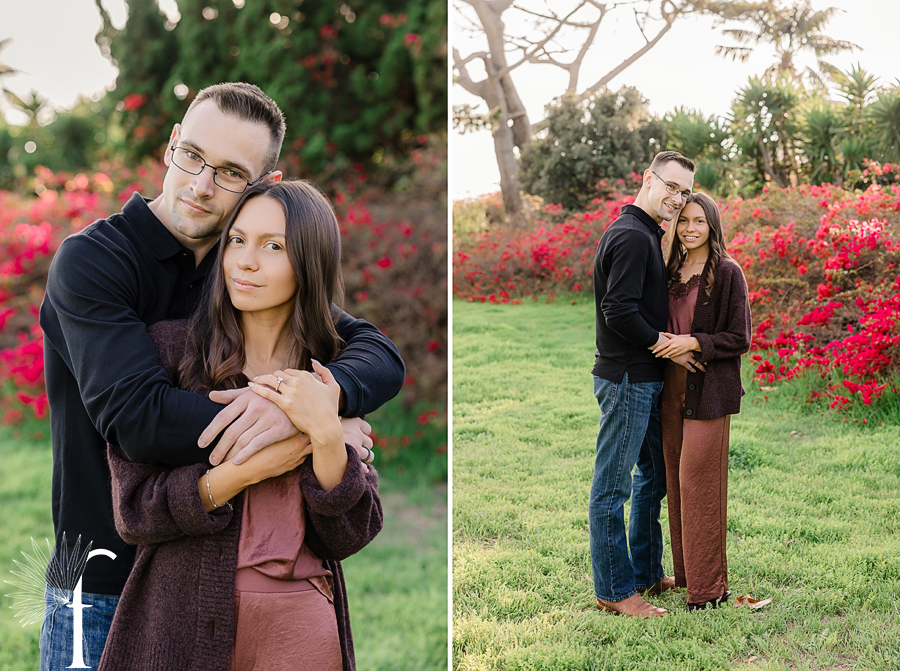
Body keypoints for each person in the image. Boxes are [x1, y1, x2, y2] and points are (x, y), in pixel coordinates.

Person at [38, 83, 404, 668]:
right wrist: (300, 420)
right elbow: (140, 419)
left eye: (232, 172)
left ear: (266, 185)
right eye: (194, 157)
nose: (202, 184)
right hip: (101, 575)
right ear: (172, 146)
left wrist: (325, 402)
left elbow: (376, 351)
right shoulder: (94, 261)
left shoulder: (240, 268)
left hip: (208, 576)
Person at [97, 180, 380, 670]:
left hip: (301, 627)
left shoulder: (330, 374)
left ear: (309, 264)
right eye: (237, 240)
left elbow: (350, 534)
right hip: (181, 621)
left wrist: (330, 435)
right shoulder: (170, 352)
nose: (246, 261)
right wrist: (255, 466)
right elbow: (136, 511)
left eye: (273, 247)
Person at [589, 150, 701, 618]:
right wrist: (666, 344)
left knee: (654, 475)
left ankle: (647, 574)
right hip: (628, 379)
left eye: (685, 192)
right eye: (671, 186)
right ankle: (615, 590)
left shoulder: (643, 233)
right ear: (648, 180)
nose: (677, 198)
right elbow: (619, 311)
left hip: (644, 379)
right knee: (612, 488)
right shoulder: (633, 236)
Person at [651, 191, 751, 611]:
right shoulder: (668, 268)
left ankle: (709, 590)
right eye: (684, 221)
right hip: (667, 387)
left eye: (699, 222)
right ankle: (689, 576)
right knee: (675, 482)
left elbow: (739, 337)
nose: (691, 229)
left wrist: (694, 342)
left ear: (713, 225)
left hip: (708, 390)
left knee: (698, 484)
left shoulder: (727, 272)